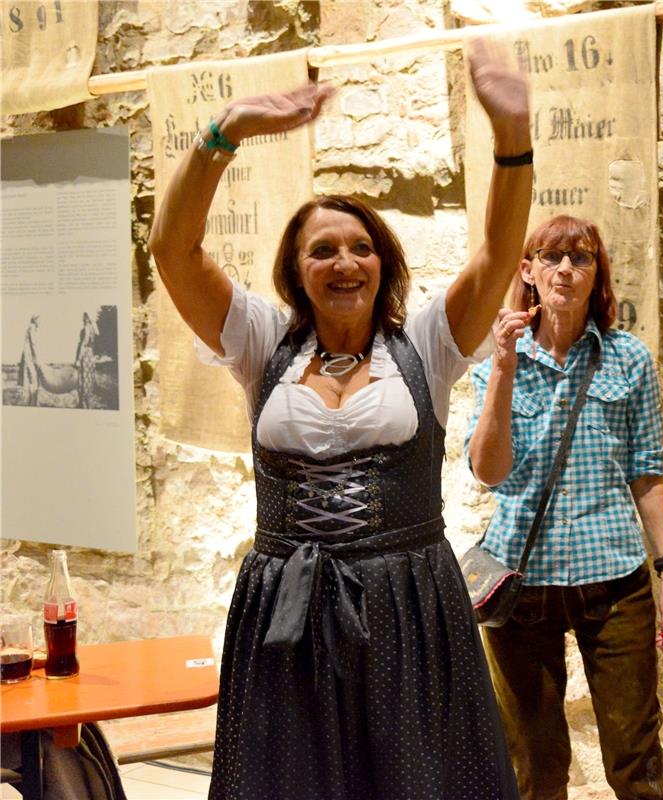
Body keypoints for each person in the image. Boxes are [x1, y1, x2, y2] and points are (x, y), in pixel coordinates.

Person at [147, 42, 531, 800]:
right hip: (288, 608)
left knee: (418, 782)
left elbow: (496, 256)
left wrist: (513, 138)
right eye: (323, 251)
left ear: (383, 264)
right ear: (297, 272)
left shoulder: (425, 344)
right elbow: (173, 248)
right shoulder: (263, 345)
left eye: (362, 248)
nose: (345, 262)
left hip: (411, 606)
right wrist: (227, 129)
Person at [464, 215, 663, 800]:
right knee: (535, 765)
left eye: (580, 257)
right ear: (528, 271)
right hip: (520, 585)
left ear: (597, 275)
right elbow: (487, 471)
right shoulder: (494, 368)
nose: (566, 268)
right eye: (552, 256)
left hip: (613, 581)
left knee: (637, 761)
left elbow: (647, 473)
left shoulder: (628, 360)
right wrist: (504, 372)